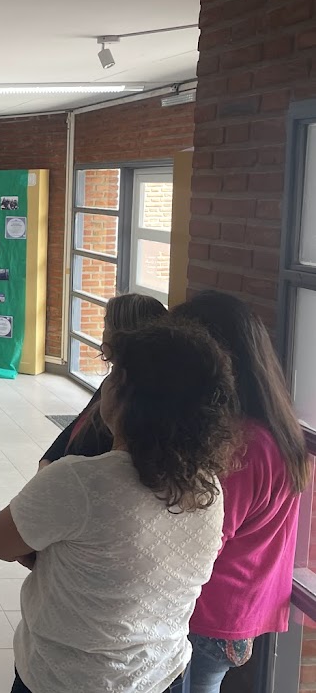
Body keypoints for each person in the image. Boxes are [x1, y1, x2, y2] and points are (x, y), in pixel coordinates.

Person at [0, 320, 240, 693]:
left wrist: (46, 553)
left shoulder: (81, 481)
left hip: (67, 679)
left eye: (115, 374)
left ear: (129, 397)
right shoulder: (206, 487)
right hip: (162, 675)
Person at [173, 291, 309, 693]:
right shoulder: (276, 428)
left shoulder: (242, 446)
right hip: (235, 612)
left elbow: (204, 540)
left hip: (209, 615)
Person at [39, 293, 166, 468]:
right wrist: (48, 459)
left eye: (106, 326)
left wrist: (56, 472)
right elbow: (81, 420)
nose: (103, 333)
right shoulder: (115, 378)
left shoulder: (131, 398)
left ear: (123, 335)